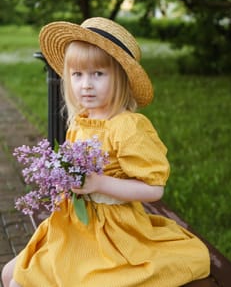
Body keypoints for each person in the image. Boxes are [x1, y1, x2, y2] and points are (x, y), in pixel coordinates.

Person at [1, 17, 210, 287]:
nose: (86, 84)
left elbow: (153, 189)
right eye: (77, 74)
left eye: (98, 74)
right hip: (74, 224)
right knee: (10, 273)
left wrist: (99, 183)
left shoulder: (126, 127)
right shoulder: (81, 120)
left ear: (120, 78)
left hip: (114, 232)